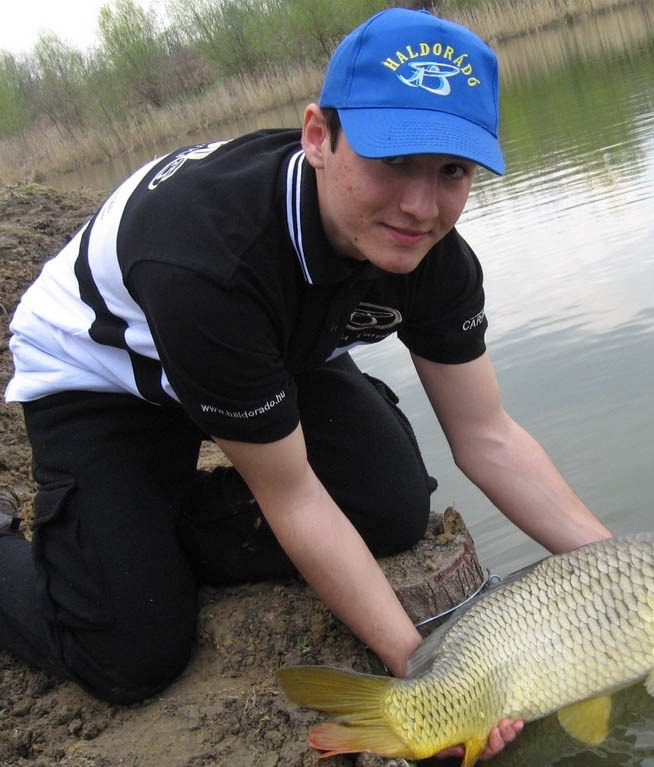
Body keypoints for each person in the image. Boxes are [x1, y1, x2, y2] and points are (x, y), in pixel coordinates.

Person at [0, 7, 611, 761]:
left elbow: (488, 436)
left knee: (391, 508)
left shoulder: (434, 257)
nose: (421, 208)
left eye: (451, 171)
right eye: (394, 161)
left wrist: (640, 577)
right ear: (318, 136)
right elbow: (290, 493)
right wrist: (421, 674)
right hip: (108, 373)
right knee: (132, 653)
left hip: (268, 348)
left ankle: (152, 529)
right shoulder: (208, 259)